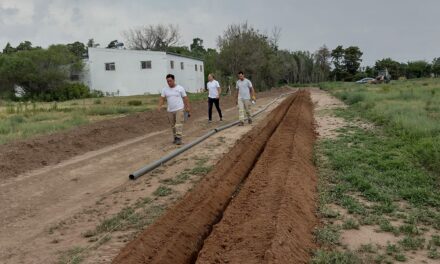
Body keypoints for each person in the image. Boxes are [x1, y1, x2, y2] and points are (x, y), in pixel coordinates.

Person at [157, 74, 191, 145]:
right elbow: (162, 98)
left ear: (174, 80)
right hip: (170, 110)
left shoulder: (180, 88)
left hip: (179, 109)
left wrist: (188, 107)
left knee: (178, 124)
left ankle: (179, 138)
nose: (169, 82)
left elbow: (185, 98)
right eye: (167, 81)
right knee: (173, 125)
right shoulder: (165, 89)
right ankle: (175, 137)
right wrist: (159, 106)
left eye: (170, 81)